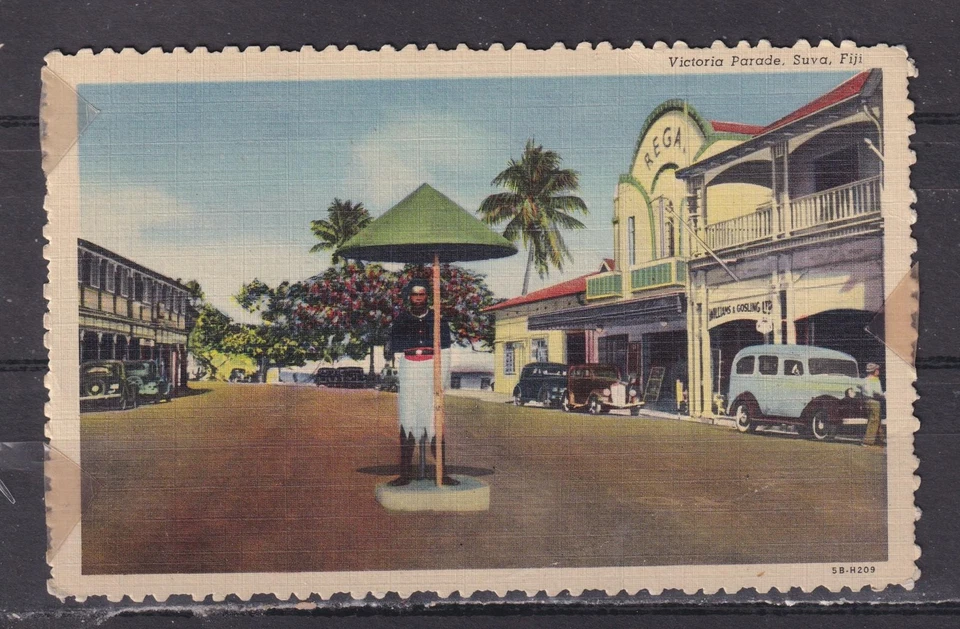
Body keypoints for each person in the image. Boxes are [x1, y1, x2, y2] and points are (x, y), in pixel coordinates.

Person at [384, 280, 458, 486]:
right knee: (407, 420)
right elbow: (395, 352)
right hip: (409, 368)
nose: (418, 298)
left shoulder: (438, 320)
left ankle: (442, 473)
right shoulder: (401, 320)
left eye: (422, 294)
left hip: (431, 368)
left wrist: (441, 381)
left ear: (427, 296)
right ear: (409, 297)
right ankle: (405, 474)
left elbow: (445, 352)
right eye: (414, 295)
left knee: (434, 421)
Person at [860, 362, 885, 446]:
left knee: (875, 419)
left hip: (867, 401)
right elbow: (877, 392)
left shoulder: (864, 380)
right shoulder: (875, 380)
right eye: (877, 370)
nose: (879, 371)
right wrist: (883, 395)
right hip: (875, 401)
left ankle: (879, 439)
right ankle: (867, 441)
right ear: (874, 371)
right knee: (874, 420)